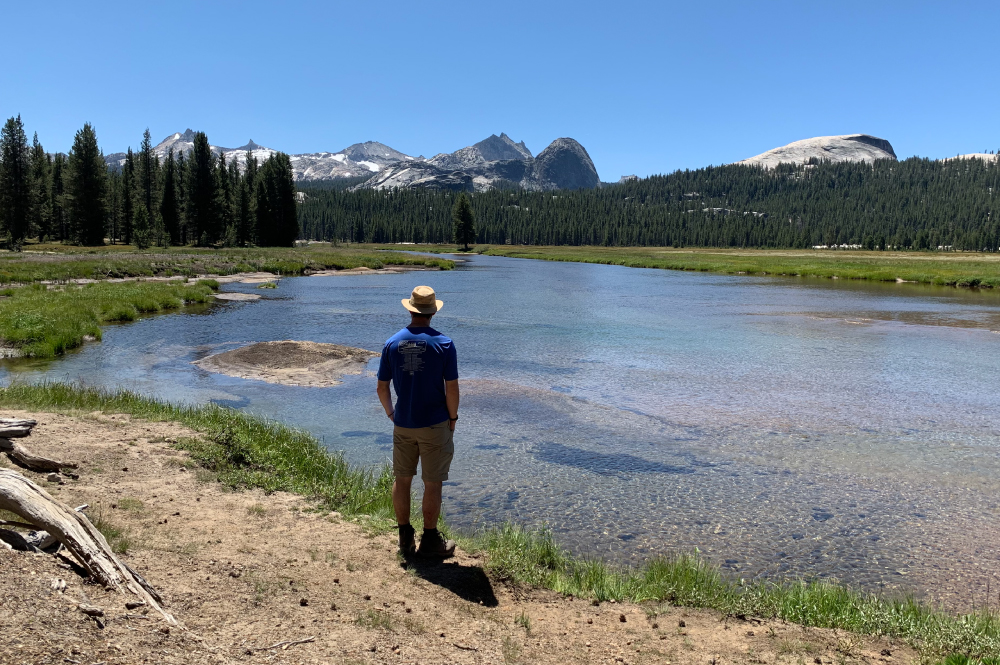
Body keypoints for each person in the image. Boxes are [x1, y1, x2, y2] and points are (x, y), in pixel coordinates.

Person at [377, 285, 459, 557]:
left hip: (403, 423)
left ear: (411, 309)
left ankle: (404, 539)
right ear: (433, 312)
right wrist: (453, 418)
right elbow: (452, 389)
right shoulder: (445, 344)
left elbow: (382, 387)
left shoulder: (391, 343)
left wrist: (392, 413)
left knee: (402, 480)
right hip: (435, 423)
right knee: (432, 483)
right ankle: (431, 541)